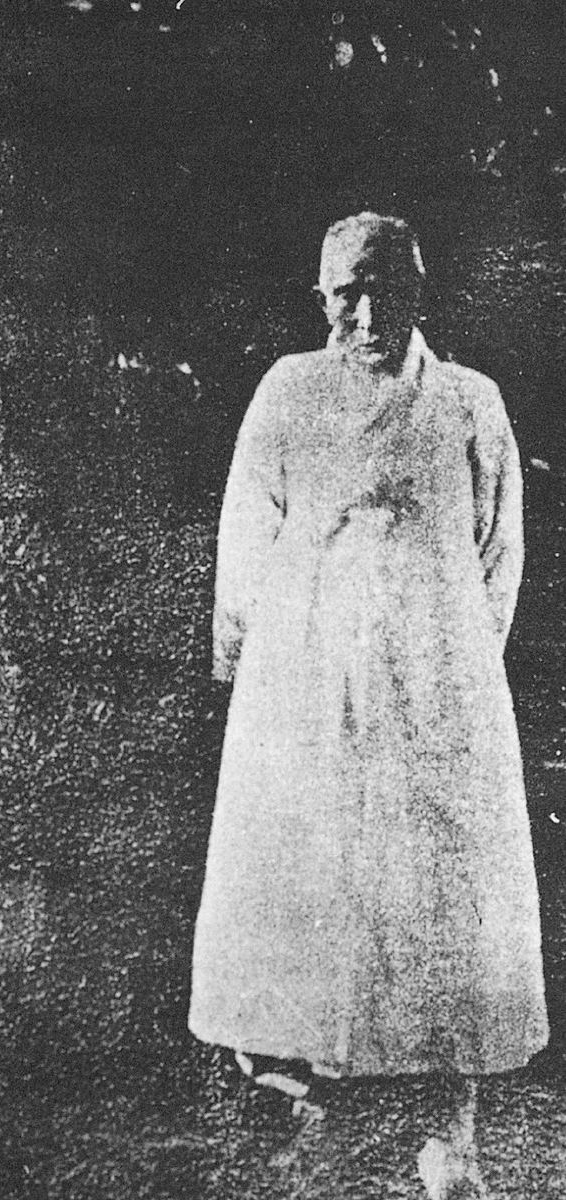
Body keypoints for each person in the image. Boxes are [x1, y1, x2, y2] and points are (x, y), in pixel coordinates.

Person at [188, 213, 549, 1195]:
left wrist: (455, 666)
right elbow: (246, 536)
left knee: (435, 895)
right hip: (304, 683)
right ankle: (304, 1103)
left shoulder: (470, 400)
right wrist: (254, 680)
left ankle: (446, 1131)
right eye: (346, 292)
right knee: (310, 880)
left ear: (420, 293)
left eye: (385, 289)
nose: (365, 312)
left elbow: (498, 549)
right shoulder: (288, 391)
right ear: (320, 297)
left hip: (435, 687)